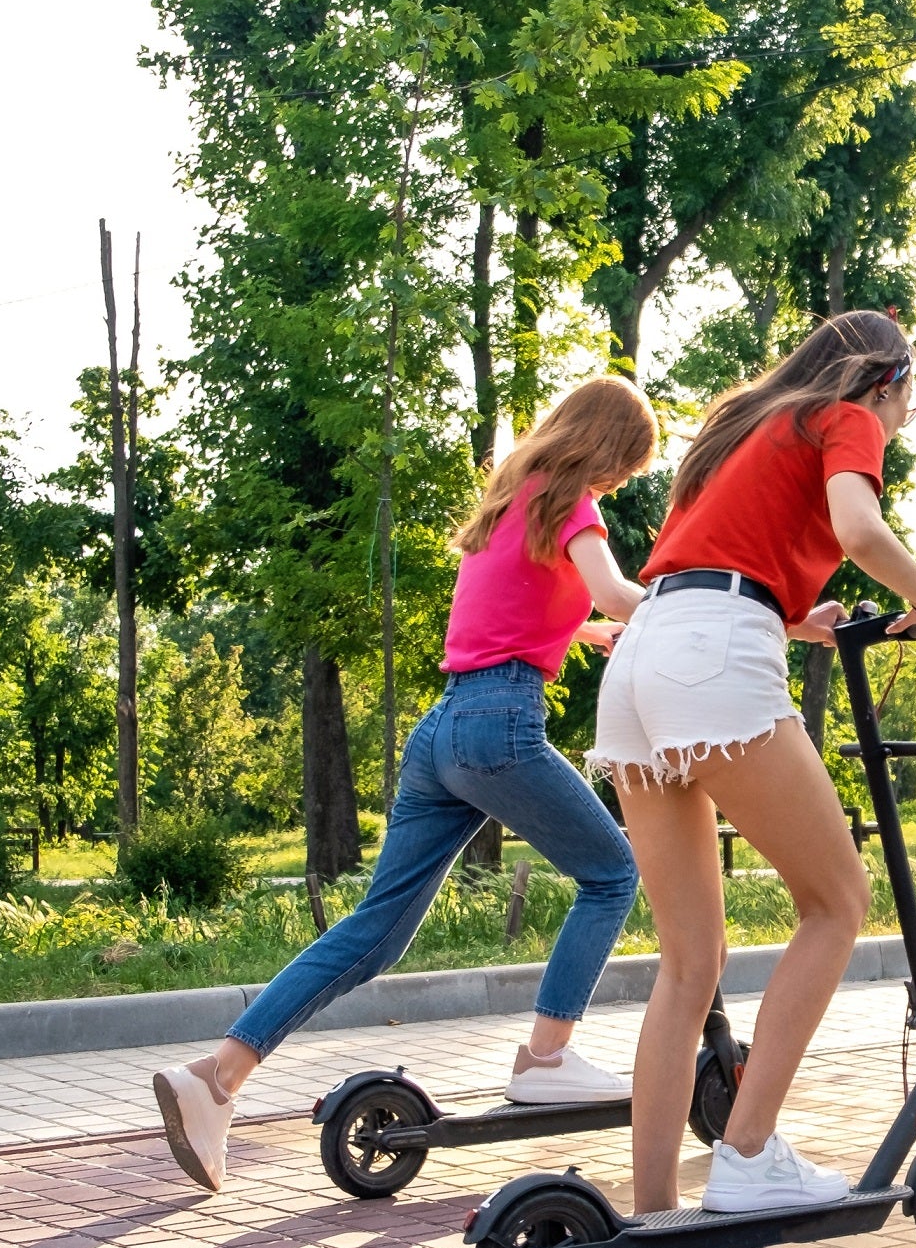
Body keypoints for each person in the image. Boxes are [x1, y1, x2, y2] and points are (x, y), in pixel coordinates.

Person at [149, 377, 658, 1193]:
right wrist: (680, 608)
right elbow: (614, 588)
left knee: (376, 932)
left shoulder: (510, 497)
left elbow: (520, 605)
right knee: (613, 871)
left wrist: (585, 628)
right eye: (624, 468)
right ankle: (546, 1056)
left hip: (443, 731)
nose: (620, 484)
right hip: (501, 723)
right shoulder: (576, 505)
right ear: (603, 447)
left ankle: (216, 1076)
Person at [595, 309, 916, 1248]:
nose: (901, 415)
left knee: (688, 962)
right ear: (883, 377)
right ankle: (747, 1153)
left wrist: (801, 620)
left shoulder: (746, 424)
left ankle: (650, 1236)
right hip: (714, 657)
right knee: (836, 903)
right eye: (907, 398)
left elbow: (716, 566)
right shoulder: (848, 413)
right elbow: (858, 526)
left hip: (642, 661)